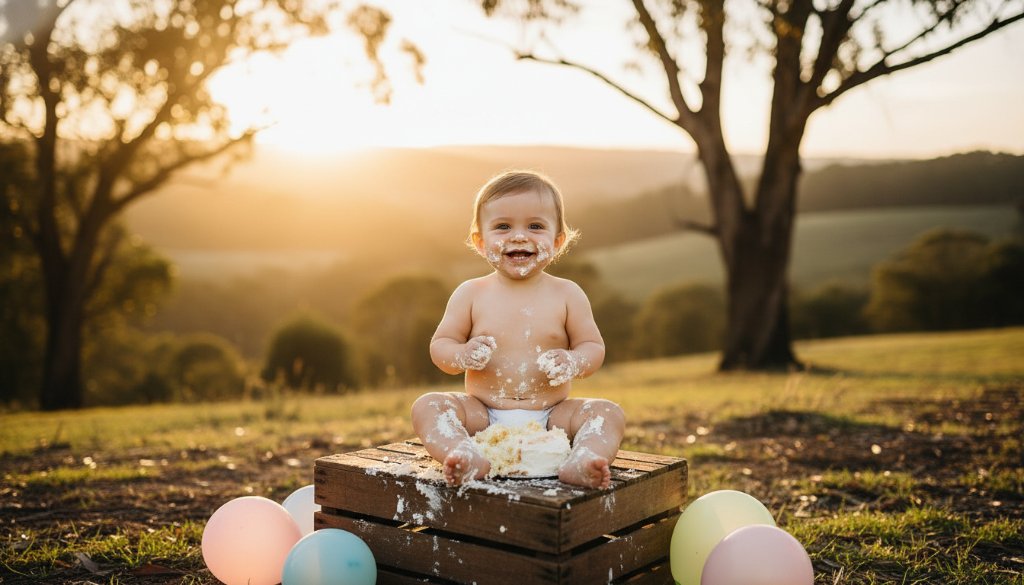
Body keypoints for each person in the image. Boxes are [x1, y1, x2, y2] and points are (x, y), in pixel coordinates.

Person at [411, 170, 625, 489]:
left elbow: (592, 348)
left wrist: (573, 361)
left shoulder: (567, 294)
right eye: (503, 226)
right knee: (428, 406)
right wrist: (462, 354)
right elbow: (441, 346)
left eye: (535, 226)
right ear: (481, 242)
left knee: (608, 413)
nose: (519, 236)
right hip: (481, 414)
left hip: (554, 417)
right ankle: (463, 452)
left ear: (557, 240)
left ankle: (583, 459)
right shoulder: (471, 293)